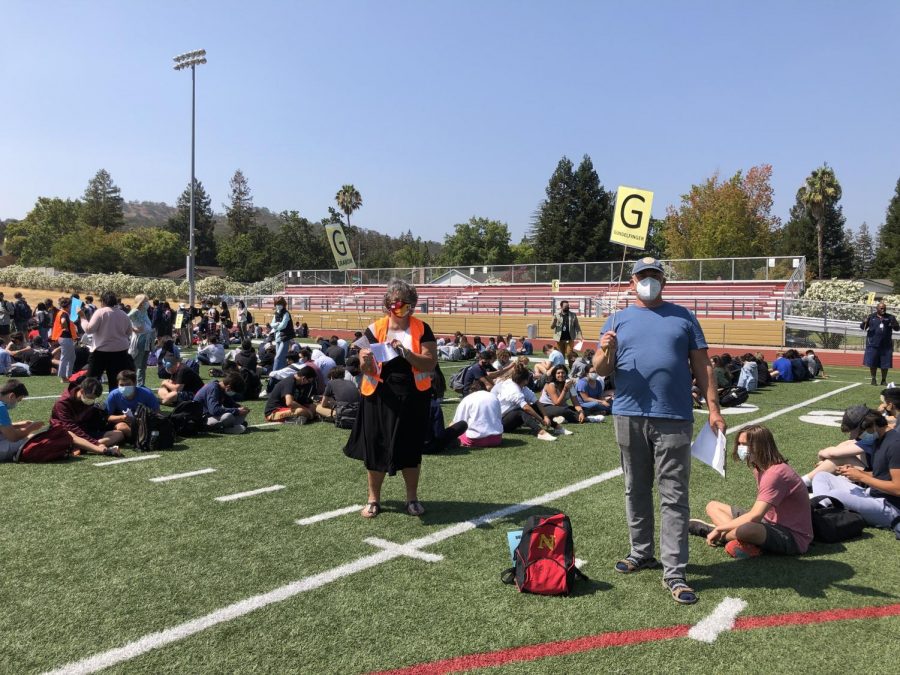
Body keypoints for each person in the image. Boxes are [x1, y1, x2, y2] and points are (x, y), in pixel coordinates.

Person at [594, 257, 725, 606]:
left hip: (674, 417)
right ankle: (642, 552)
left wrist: (713, 408)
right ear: (632, 280)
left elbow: (703, 364)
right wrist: (607, 348)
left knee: (673, 495)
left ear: (664, 282)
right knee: (635, 488)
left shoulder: (684, 316)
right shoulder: (616, 319)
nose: (648, 281)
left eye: (654, 276)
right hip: (628, 415)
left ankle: (675, 571)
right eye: (643, 276)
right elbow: (600, 368)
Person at [343, 279, 437, 518]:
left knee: (410, 448)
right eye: (395, 303)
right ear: (387, 304)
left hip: (414, 396)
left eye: (406, 303)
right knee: (376, 447)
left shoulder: (422, 328)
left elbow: (430, 362)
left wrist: (406, 353)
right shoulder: (374, 330)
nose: (401, 307)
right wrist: (365, 360)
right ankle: (373, 499)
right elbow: (369, 371)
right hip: (379, 396)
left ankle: (412, 499)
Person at [690, 425, 813, 558]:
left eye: (745, 444)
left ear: (760, 446)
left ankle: (714, 532)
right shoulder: (759, 468)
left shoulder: (776, 473)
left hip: (793, 537)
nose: (740, 448)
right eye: (739, 443)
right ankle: (739, 539)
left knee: (747, 529)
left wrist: (721, 528)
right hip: (768, 523)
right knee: (712, 506)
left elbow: (755, 516)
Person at [812, 408, 900, 529]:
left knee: (836, 494)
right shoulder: (878, 438)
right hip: (872, 494)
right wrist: (857, 472)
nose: (858, 438)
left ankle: (820, 512)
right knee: (822, 477)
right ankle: (821, 510)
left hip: (891, 508)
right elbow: (882, 475)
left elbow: (898, 489)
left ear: (872, 425)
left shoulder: (895, 445)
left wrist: (861, 477)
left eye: (859, 434)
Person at [800, 405, 874, 487]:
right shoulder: (872, 432)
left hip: (875, 479)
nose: (849, 433)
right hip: (875, 473)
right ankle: (809, 480)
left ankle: (801, 483)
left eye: (851, 430)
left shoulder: (871, 437)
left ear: (861, 426)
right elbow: (849, 444)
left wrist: (821, 453)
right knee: (847, 447)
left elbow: (833, 454)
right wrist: (826, 461)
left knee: (841, 457)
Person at [77, 291, 135, 392]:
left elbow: (89, 329)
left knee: (91, 380)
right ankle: (115, 405)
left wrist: (82, 317)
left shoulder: (101, 312)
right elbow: (129, 332)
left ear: (103, 302)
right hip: (120, 352)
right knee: (115, 382)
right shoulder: (123, 314)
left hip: (101, 352)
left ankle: (88, 403)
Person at [51, 377, 123, 455]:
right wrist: (96, 443)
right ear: (82, 391)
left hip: (84, 431)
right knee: (72, 435)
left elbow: (88, 421)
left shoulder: (87, 400)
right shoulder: (62, 403)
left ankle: (84, 447)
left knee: (119, 434)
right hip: (67, 433)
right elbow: (70, 427)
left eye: (94, 398)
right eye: (91, 397)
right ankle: (94, 447)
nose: (92, 400)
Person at [492, 363, 558, 441]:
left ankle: (557, 427)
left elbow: (537, 402)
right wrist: (541, 420)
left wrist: (546, 416)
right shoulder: (512, 388)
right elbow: (526, 408)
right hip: (500, 423)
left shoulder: (522, 387)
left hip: (509, 418)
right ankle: (540, 432)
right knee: (520, 411)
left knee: (534, 406)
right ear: (526, 380)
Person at [105, 370, 160, 443]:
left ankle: (139, 438)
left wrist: (142, 420)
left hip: (143, 422)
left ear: (135, 383)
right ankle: (141, 439)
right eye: (121, 385)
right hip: (123, 423)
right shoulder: (113, 395)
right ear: (117, 384)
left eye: (128, 384)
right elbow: (107, 417)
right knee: (121, 427)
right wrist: (122, 417)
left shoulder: (147, 393)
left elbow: (157, 413)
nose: (124, 387)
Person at [0, 380, 46, 462]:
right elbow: (13, 437)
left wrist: (18, 425)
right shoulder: (1, 407)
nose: (17, 403)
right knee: (32, 439)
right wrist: (31, 428)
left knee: (28, 436)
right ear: (12, 396)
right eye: (18, 400)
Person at [452, 378, 503, 447]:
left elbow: (457, 422)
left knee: (454, 434)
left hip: (475, 440)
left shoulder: (468, 399)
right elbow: (499, 417)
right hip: (496, 439)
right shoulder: (494, 397)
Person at [861, 302, 899, 386]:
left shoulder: (890, 317)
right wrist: (864, 322)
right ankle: (873, 379)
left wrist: (894, 323)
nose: (883, 310)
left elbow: (897, 329)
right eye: (881, 308)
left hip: (886, 345)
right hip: (873, 344)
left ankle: (883, 380)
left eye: (884, 308)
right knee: (872, 363)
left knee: (885, 364)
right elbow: (863, 328)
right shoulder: (871, 317)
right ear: (877, 309)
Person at [127, 294, 154, 388]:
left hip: (147, 340)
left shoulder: (144, 312)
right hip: (140, 340)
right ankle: (132, 383)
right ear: (141, 302)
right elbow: (125, 319)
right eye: (146, 301)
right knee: (136, 364)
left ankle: (140, 384)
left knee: (143, 365)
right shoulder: (135, 311)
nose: (148, 303)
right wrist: (133, 329)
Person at [51, 296, 79, 383]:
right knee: (65, 357)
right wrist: (65, 328)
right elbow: (63, 321)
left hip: (66, 338)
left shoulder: (63, 312)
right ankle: (63, 377)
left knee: (71, 357)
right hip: (65, 338)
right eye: (71, 305)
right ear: (68, 305)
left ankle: (68, 375)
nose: (71, 307)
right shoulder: (64, 313)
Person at [270, 296, 294, 371]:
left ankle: (274, 374)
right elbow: (271, 324)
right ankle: (282, 371)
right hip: (277, 337)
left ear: (284, 305)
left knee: (278, 357)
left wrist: (276, 326)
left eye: (280, 304)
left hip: (285, 337)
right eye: (277, 304)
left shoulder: (286, 313)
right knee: (281, 357)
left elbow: (283, 326)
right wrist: (276, 325)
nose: (279, 306)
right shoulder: (276, 313)